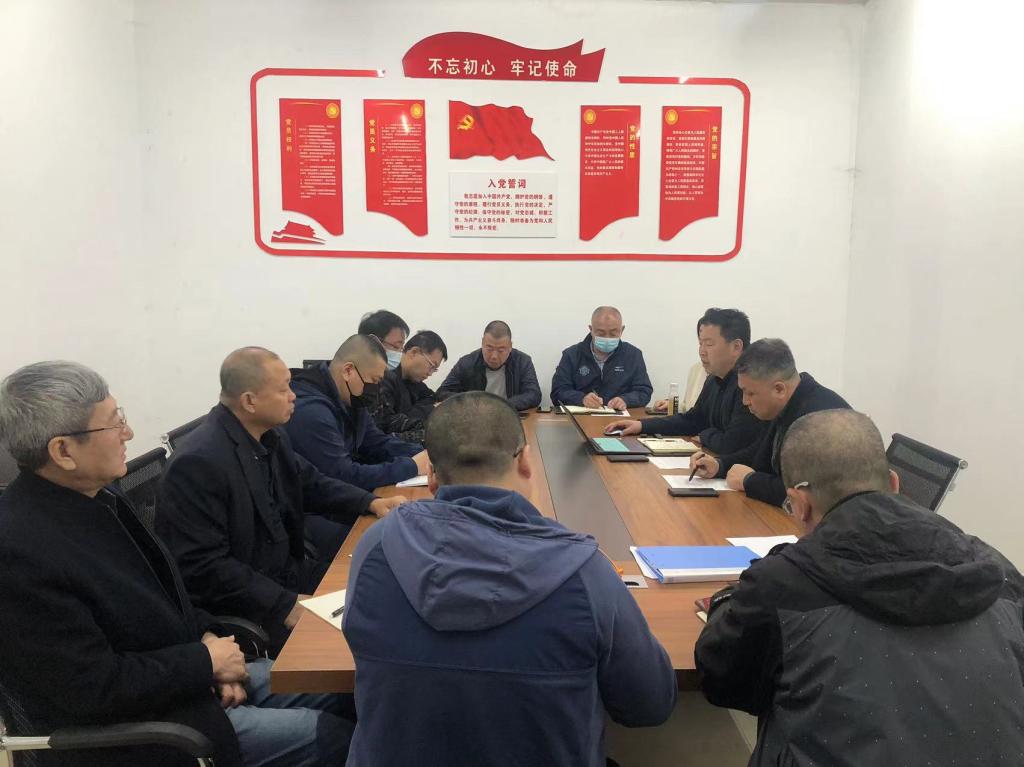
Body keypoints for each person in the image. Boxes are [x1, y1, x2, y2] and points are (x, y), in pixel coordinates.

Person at [0, 361, 354, 767]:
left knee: (349, 690)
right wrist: (204, 663)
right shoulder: (18, 550)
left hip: (187, 681)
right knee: (334, 738)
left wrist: (207, 640)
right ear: (63, 451)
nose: (128, 434)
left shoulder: (99, 498)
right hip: (149, 731)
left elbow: (164, 599)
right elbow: (90, 687)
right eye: (114, 424)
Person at [342, 391, 676, 766]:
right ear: (526, 461)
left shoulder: (377, 546)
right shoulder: (584, 572)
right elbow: (649, 704)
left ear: (431, 475)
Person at [695, 409, 1024, 766]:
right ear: (895, 484)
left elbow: (723, 681)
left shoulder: (781, 582)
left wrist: (726, 602)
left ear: (800, 503)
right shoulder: (999, 570)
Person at [157, 347, 404, 654]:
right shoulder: (198, 463)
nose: (293, 396)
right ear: (250, 401)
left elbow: (310, 482)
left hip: (289, 574)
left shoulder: (270, 435)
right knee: (358, 645)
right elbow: (204, 567)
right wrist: (284, 604)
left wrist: (370, 502)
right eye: (284, 389)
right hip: (251, 603)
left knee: (378, 587)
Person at [691, 338, 849, 505]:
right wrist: (719, 465)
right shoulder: (786, 403)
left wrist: (750, 481)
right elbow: (759, 454)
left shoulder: (819, 420)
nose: (745, 401)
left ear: (779, 389)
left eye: (750, 393)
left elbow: (808, 494)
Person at [604, 308, 765, 454]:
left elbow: (731, 444)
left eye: (709, 344)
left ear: (736, 347)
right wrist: (641, 425)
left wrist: (704, 434)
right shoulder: (714, 379)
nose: (702, 351)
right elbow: (693, 420)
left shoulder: (751, 386)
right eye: (700, 343)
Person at [287, 334, 428, 491]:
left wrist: (427, 456)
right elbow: (343, 475)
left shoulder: (351, 399)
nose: (376, 389)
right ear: (348, 371)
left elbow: (376, 442)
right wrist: (411, 467)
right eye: (374, 381)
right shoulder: (311, 411)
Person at [550, 306, 653, 410]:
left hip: (621, 417)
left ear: (622, 330)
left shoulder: (633, 355)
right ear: (591, 329)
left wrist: (626, 400)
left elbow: (644, 391)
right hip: (582, 416)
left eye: (613, 333)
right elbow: (558, 392)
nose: (607, 338)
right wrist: (581, 399)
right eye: (601, 333)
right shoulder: (571, 355)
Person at [436, 320, 542, 411]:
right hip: (475, 419)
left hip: (509, 417)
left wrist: (502, 405)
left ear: (510, 346)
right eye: (489, 349)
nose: (494, 356)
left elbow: (534, 394)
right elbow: (442, 392)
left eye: (501, 350)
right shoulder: (467, 363)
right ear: (482, 343)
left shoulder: (522, 362)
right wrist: (471, 402)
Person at [375, 329, 447, 444]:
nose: (430, 373)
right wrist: (431, 409)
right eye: (431, 365)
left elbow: (433, 398)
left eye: (435, 370)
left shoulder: (416, 384)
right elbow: (387, 423)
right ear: (414, 352)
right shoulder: (382, 380)